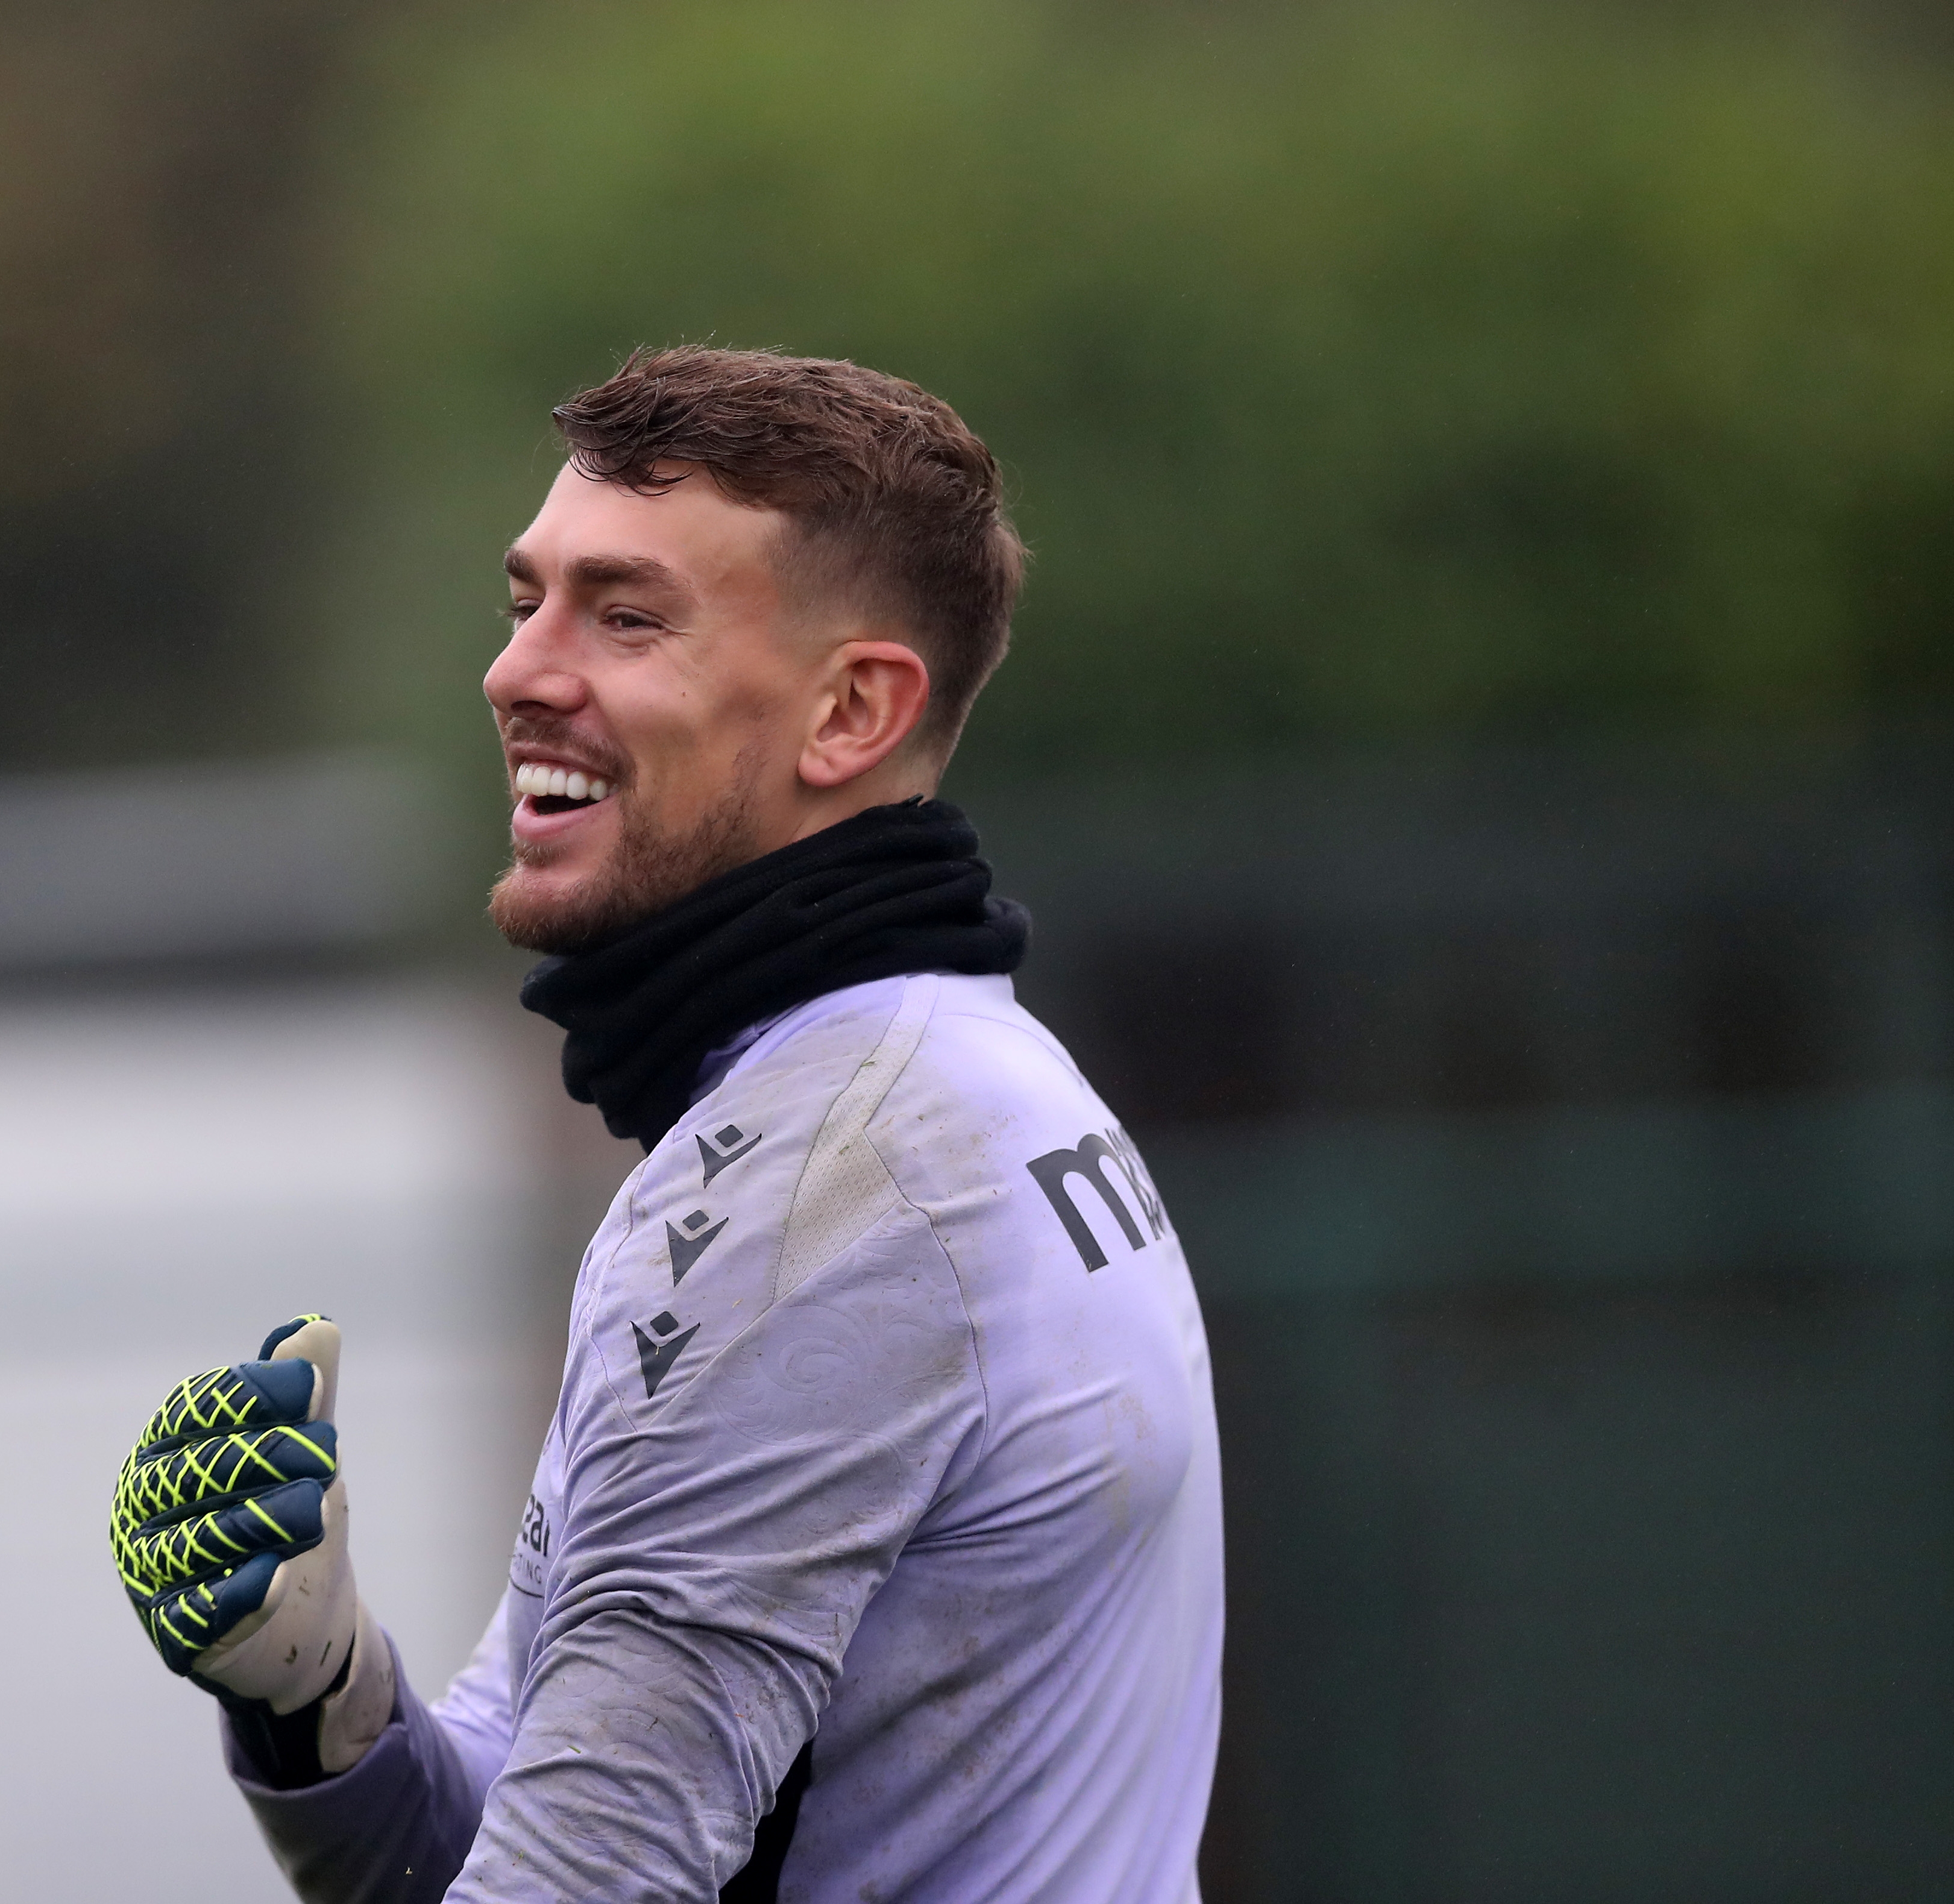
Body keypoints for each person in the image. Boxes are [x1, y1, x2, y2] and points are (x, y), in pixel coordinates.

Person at [109, 346, 1222, 1903]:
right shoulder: (945, 1080)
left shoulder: (832, 1186)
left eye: (625, 618)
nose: (517, 672)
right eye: (527, 602)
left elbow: (586, 1878)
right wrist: (319, 1700)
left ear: (849, 710)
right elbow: (527, 1819)